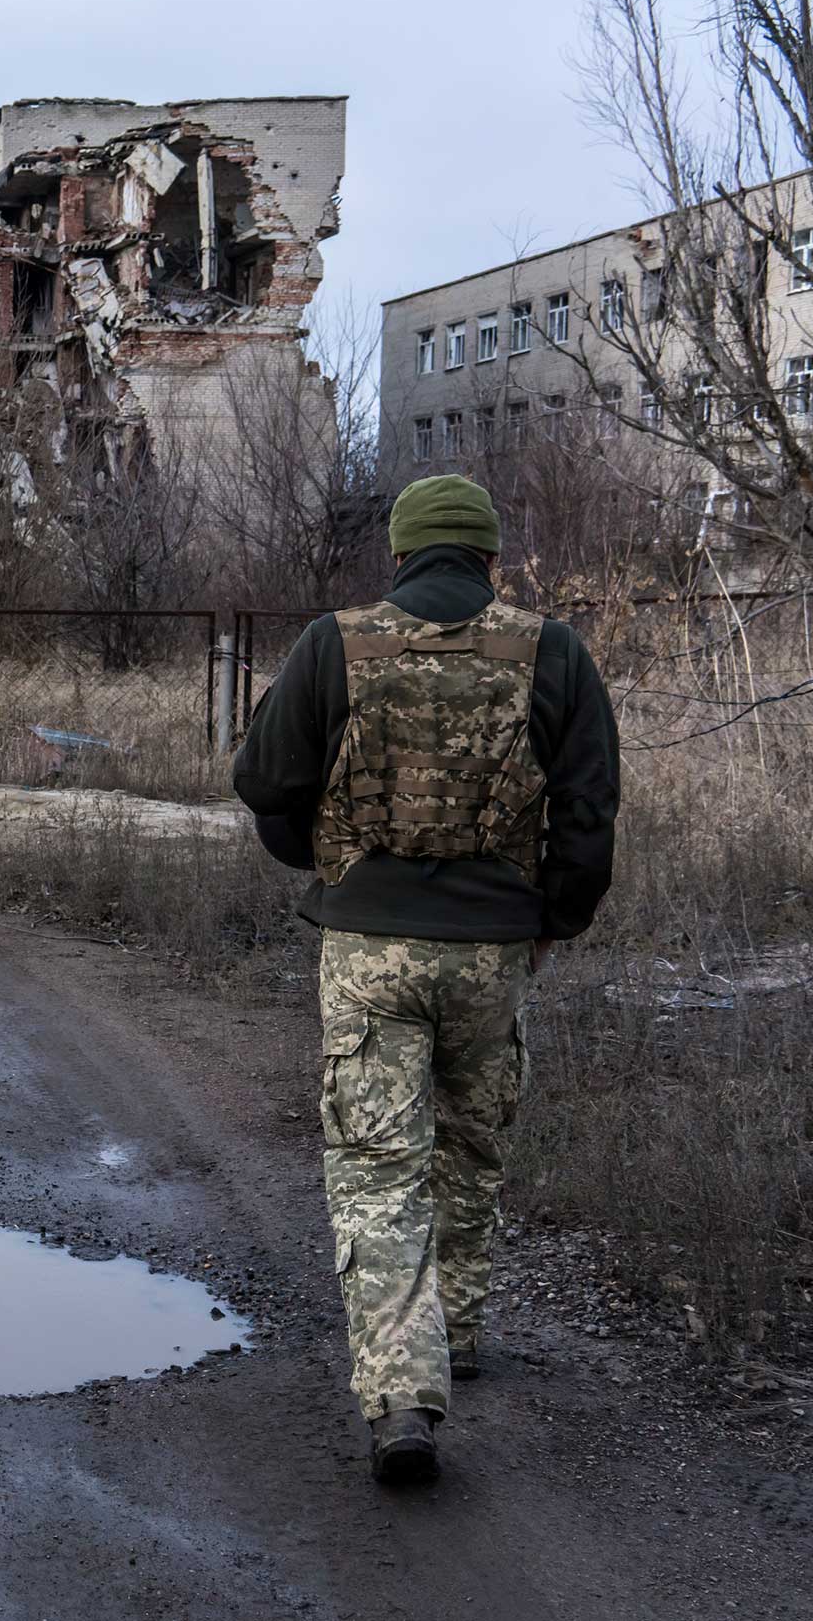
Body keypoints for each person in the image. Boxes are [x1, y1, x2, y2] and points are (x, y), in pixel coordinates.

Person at [233, 473, 618, 1485]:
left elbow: (264, 782)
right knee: (468, 1141)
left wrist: (316, 859)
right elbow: (587, 813)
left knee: (375, 1165)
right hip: (494, 948)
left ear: (399, 556)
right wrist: (554, 922)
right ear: (490, 559)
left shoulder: (336, 642)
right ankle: (455, 1330)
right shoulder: (553, 651)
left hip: (368, 948)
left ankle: (403, 1395)